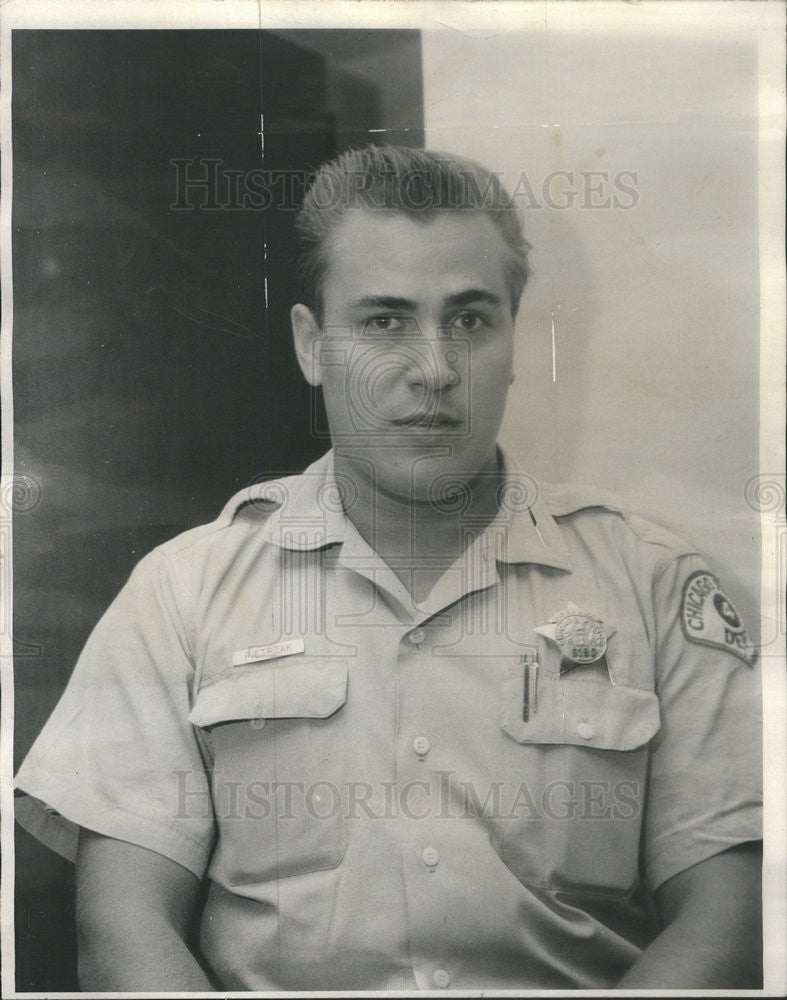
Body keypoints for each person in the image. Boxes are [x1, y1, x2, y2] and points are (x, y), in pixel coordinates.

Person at [15, 145, 762, 991]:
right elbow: (121, 933)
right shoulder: (182, 592)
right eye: (383, 322)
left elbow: (732, 921)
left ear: (516, 341)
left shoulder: (652, 583)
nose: (434, 369)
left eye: (470, 320)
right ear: (311, 346)